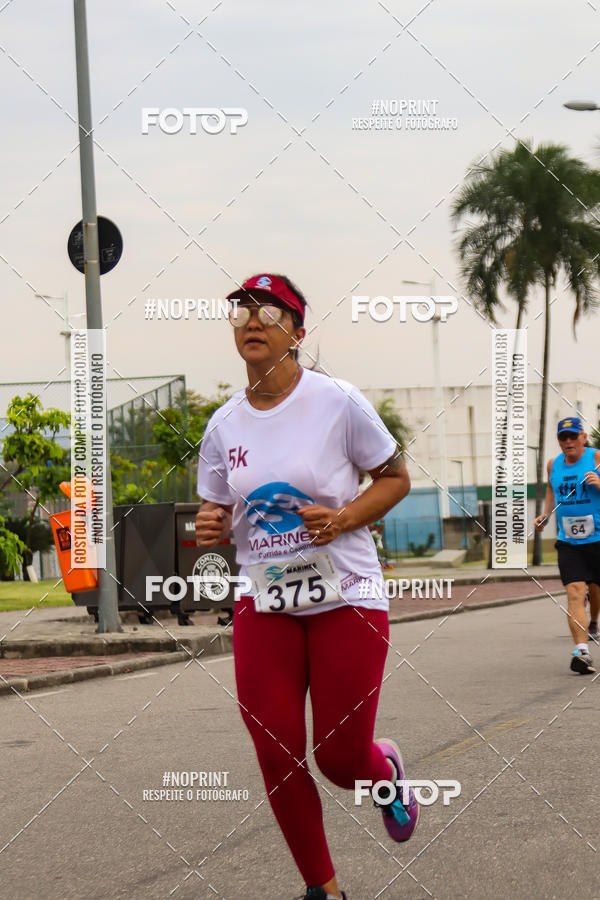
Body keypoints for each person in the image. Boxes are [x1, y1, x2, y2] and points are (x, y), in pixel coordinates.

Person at [195, 274, 419, 900]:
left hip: (346, 594)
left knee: (339, 760)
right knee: (275, 749)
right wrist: (210, 526)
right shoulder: (222, 426)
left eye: (268, 312)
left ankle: (386, 773)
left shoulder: (337, 400)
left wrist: (344, 516)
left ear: (297, 330)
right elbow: (213, 512)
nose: (252, 322)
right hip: (264, 601)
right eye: (241, 313)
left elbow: (395, 477)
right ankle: (325, 888)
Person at [534, 417, 600, 674]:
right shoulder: (554, 464)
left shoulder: (596, 458)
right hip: (570, 542)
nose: (569, 441)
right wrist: (545, 515)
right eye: (564, 437)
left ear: (583, 437)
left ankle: (593, 621)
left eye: (574, 436)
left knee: (595, 590)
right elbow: (553, 493)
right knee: (574, 591)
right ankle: (582, 651)